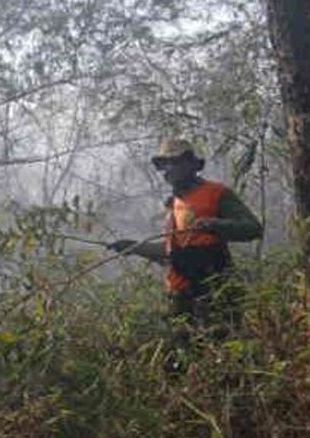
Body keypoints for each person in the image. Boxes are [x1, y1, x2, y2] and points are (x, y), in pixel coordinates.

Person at [108, 138, 263, 324]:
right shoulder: (174, 205)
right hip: (180, 296)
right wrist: (132, 247)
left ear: (191, 164)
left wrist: (215, 225)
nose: (169, 169)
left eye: (175, 162)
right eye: (165, 164)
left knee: (222, 343)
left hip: (215, 289)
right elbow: (170, 251)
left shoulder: (216, 193)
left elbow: (253, 229)